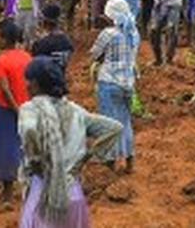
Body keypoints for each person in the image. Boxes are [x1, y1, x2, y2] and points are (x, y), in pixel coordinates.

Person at [17, 56, 122, 228]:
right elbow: (114, 128)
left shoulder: (31, 109)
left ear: (35, 84)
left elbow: (28, 129)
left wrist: (35, 155)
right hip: (72, 191)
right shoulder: (76, 111)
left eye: (27, 81)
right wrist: (88, 156)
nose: (26, 85)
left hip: (44, 194)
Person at [89, 0, 138, 174]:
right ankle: (129, 159)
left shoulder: (108, 34)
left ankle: (109, 162)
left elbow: (94, 54)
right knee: (125, 121)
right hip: (128, 82)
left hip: (109, 81)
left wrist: (100, 59)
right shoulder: (132, 32)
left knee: (109, 123)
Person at [0, 19, 31, 208]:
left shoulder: (1, 60)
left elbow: (5, 88)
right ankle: (17, 190)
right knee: (21, 146)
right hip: (26, 106)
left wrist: (15, 108)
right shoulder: (26, 57)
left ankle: (7, 194)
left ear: (5, 39)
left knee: (5, 149)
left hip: (7, 109)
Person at [30, 5, 74, 70]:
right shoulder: (67, 41)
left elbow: (34, 60)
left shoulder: (43, 43)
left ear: (45, 22)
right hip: (60, 77)